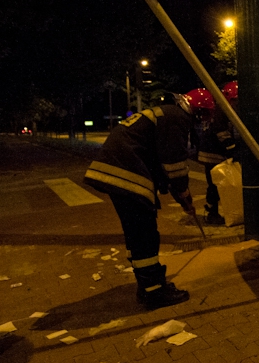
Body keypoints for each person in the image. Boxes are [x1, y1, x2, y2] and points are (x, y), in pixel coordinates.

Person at [83, 94, 202, 309]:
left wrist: (176, 193)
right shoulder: (177, 119)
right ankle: (154, 293)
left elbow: (157, 158)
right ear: (199, 111)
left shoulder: (165, 112)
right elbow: (174, 163)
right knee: (145, 235)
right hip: (129, 175)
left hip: (119, 173)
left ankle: (147, 285)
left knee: (137, 234)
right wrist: (184, 196)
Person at [194, 82, 239, 225]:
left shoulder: (219, 107)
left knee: (215, 184)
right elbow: (221, 131)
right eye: (235, 100)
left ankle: (212, 211)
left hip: (211, 152)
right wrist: (232, 148)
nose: (236, 103)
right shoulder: (221, 109)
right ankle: (211, 213)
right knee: (215, 184)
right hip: (213, 153)